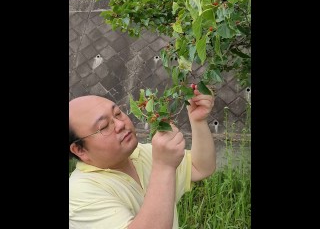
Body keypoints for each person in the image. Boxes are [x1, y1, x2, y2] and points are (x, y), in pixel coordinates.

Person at [69, 87, 216, 229]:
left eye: (118, 113)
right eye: (104, 126)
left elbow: (200, 167)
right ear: (79, 149)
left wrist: (198, 122)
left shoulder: (142, 154)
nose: (120, 124)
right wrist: (163, 167)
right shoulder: (79, 193)